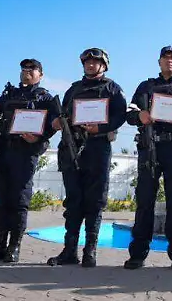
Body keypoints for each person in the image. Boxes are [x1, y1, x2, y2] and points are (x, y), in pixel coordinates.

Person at [46, 48, 127, 268]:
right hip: (73, 149)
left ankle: (90, 251)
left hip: (98, 148)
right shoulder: (73, 89)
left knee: (95, 201)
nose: (90, 65)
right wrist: (56, 121)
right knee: (74, 202)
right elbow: (63, 114)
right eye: (87, 62)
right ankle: (69, 251)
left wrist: (102, 126)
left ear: (104, 65)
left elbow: (122, 115)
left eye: (95, 62)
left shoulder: (112, 88)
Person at [124, 46, 172, 270]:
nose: (169, 61)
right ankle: (138, 253)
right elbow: (129, 113)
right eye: (165, 58)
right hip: (149, 146)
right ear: (159, 62)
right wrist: (140, 115)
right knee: (145, 200)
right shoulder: (145, 86)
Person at [0, 58, 61, 262]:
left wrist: (40, 136)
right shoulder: (8, 95)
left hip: (25, 154)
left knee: (19, 202)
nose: (27, 72)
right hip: (2, 152)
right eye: (24, 69)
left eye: (32, 69)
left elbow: (54, 124)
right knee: (0, 202)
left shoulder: (45, 99)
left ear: (41, 75)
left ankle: (14, 247)